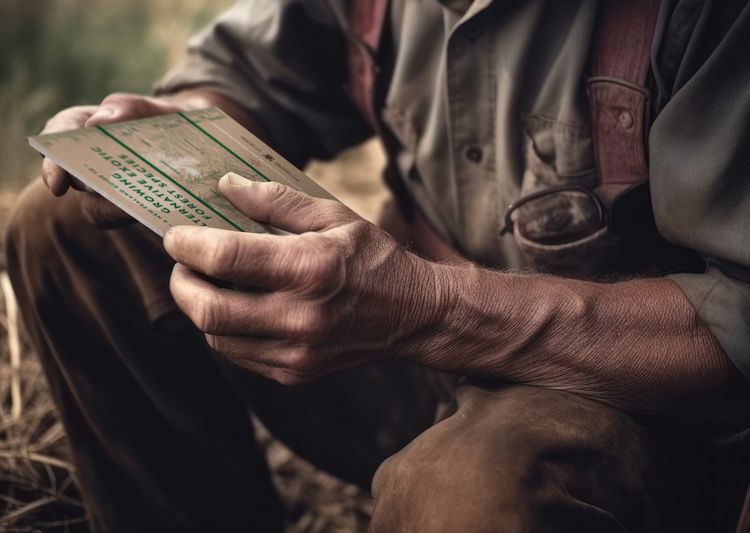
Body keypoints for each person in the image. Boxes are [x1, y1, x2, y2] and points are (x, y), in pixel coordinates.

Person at [6, 0, 750, 531]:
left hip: (631, 402)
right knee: (69, 221)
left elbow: (736, 325)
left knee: (466, 496)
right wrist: (163, 140)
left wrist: (431, 306)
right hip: (394, 353)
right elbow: (248, 74)